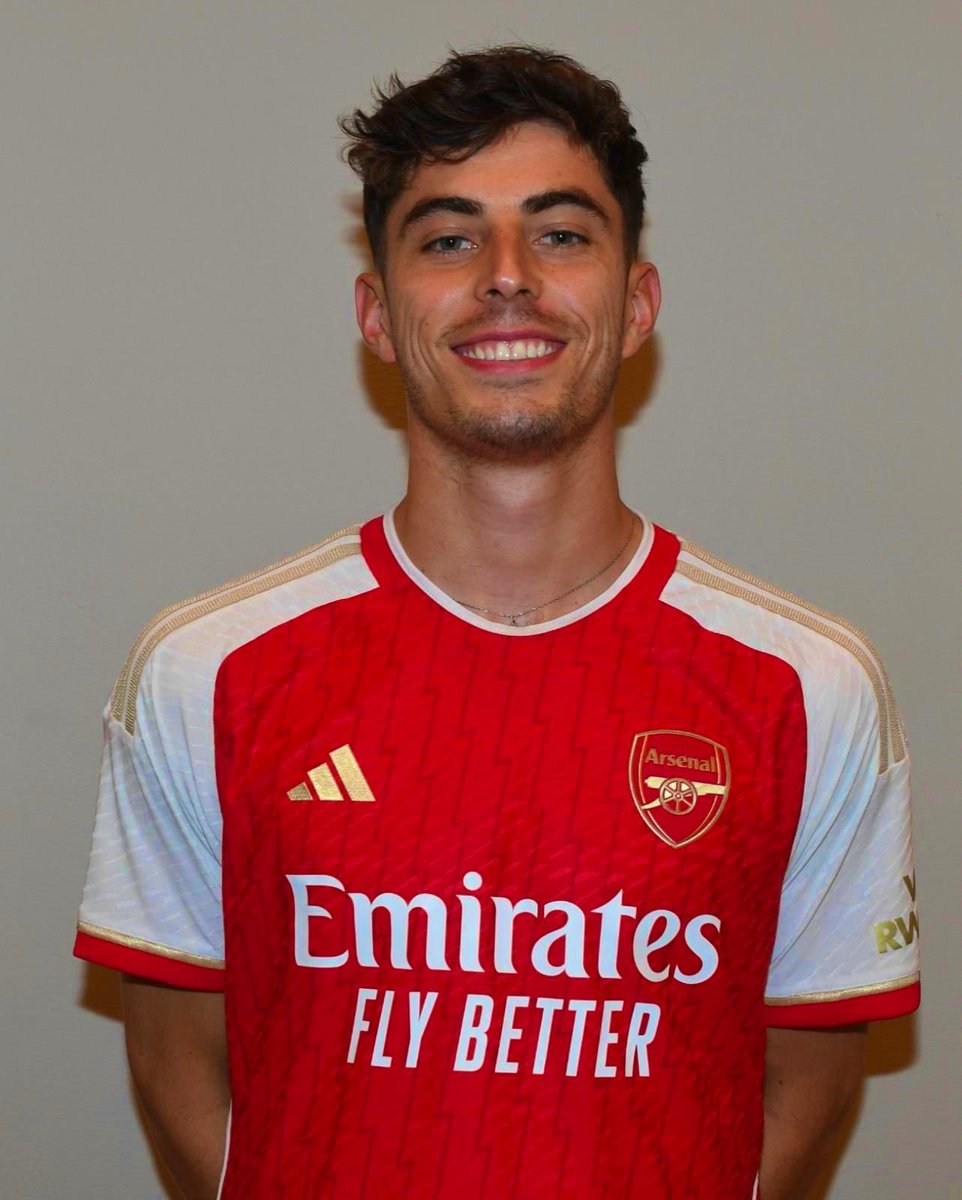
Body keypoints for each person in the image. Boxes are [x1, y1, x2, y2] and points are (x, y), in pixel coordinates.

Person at [74, 44, 919, 1200]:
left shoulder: (809, 685)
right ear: (377, 315)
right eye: (447, 239)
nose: (506, 278)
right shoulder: (204, 669)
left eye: (560, 234)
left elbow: (803, 1089)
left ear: (636, 304)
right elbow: (178, 1069)